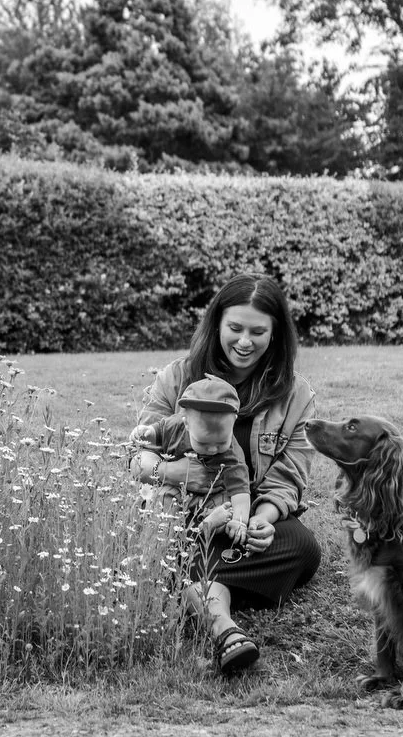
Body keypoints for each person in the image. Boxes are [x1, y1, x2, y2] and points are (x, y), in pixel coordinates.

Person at [130, 274, 322, 676]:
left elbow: (288, 478)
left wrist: (261, 520)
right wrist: (178, 472)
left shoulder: (295, 395)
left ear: (277, 335)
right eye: (235, 328)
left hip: (239, 520)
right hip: (177, 516)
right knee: (163, 539)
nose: (245, 342)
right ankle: (222, 624)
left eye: (258, 331)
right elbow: (138, 460)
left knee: (302, 547)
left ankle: (173, 583)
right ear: (217, 324)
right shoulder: (176, 378)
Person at [129, 374, 252, 555]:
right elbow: (160, 430)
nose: (211, 450)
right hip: (178, 488)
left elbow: (240, 492)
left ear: (233, 422)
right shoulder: (176, 425)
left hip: (212, 495)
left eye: (220, 444)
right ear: (186, 423)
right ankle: (156, 548)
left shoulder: (233, 454)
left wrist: (240, 521)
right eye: (203, 443)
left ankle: (207, 525)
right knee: (161, 498)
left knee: (227, 509)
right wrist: (147, 432)